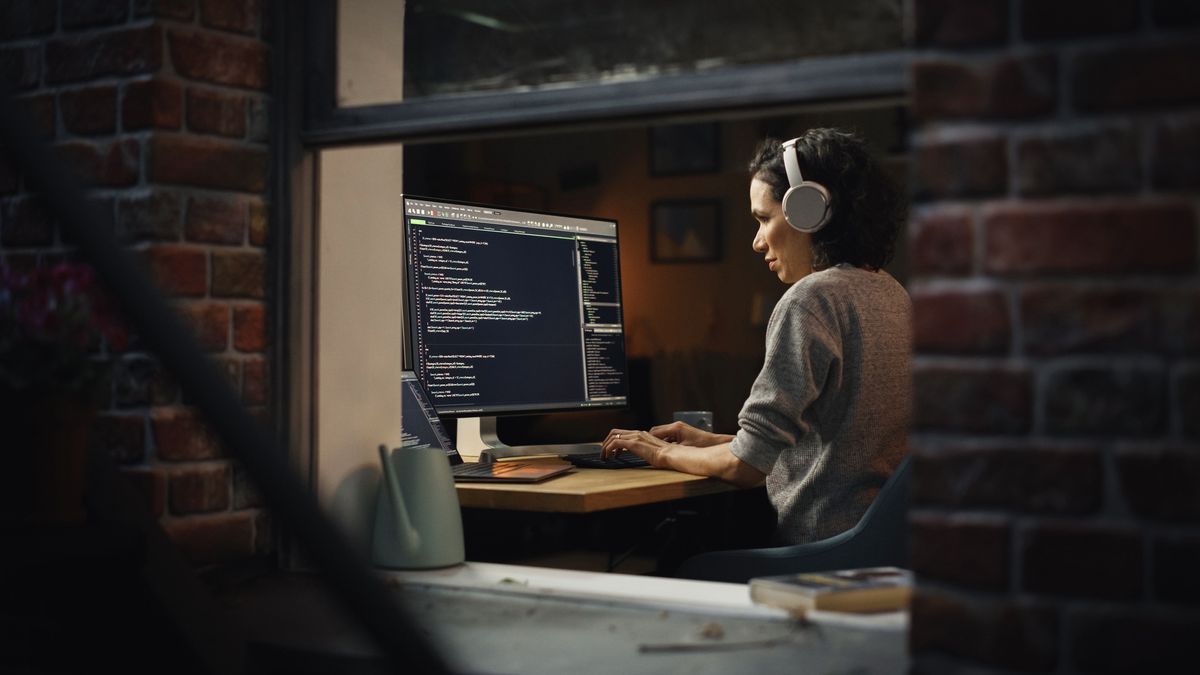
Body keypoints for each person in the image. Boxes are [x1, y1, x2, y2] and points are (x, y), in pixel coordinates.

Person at [602, 127, 912, 545]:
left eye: (764, 219)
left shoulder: (811, 299)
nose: (756, 241)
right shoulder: (894, 293)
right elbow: (839, 449)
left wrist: (658, 452)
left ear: (809, 210)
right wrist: (718, 442)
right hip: (879, 550)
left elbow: (745, 468)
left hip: (818, 553)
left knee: (688, 568)